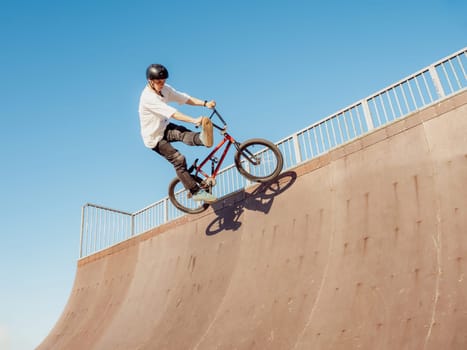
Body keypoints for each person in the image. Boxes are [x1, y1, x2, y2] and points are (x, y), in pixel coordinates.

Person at [138, 63, 217, 203]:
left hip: (164, 127)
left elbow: (185, 98)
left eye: (164, 81)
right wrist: (193, 120)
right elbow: (173, 113)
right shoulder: (148, 98)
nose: (162, 84)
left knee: (183, 133)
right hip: (154, 138)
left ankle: (203, 138)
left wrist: (205, 103)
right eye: (159, 82)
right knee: (179, 160)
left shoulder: (165, 89)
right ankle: (195, 192)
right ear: (150, 81)